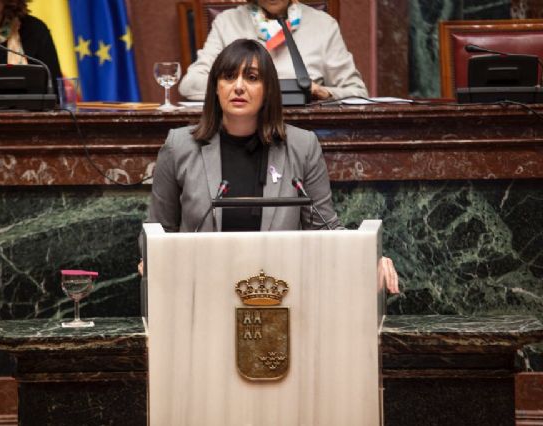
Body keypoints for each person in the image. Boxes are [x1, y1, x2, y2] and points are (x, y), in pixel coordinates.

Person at [144, 38, 399, 293]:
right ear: (216, 88)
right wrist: (151, 258)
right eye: (229, 77)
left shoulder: (301, 146)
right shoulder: (179, 146)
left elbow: (324, 228)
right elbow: (158, 230)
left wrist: (368, 257)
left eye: (252, 77)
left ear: (268, 89)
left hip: (278, 294)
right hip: (200, 291)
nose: (239, 87)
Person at [178, 0, 367, 102]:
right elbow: (190, 85)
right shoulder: (227, 22)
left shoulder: (324, 25)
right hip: (241, 128)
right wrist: (248, 87)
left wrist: (325, 93)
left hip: (306, 132)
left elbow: (357, 92)